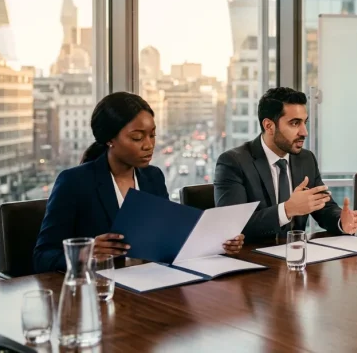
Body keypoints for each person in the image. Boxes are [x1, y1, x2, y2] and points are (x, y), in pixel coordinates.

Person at [33, 92, 244, 274]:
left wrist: (219, 243)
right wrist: (84, 253)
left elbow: (170, 240)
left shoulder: (153, 177)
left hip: (150, 286)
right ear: (109, 139)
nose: (149, 145)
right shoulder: (74, 183)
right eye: (137, 138)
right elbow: (42, 257)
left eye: (152, 135)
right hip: (100, 293)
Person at [214, 87, 357, 241]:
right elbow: (232, 226)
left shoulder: (306, 159)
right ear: (269, 126)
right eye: (295, 123)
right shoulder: (234, 162)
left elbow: (323, 208)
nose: (304, 132)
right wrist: (287, 210)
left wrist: (341, 221)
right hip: (253, 259)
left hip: (297, 257)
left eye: (305, 122)